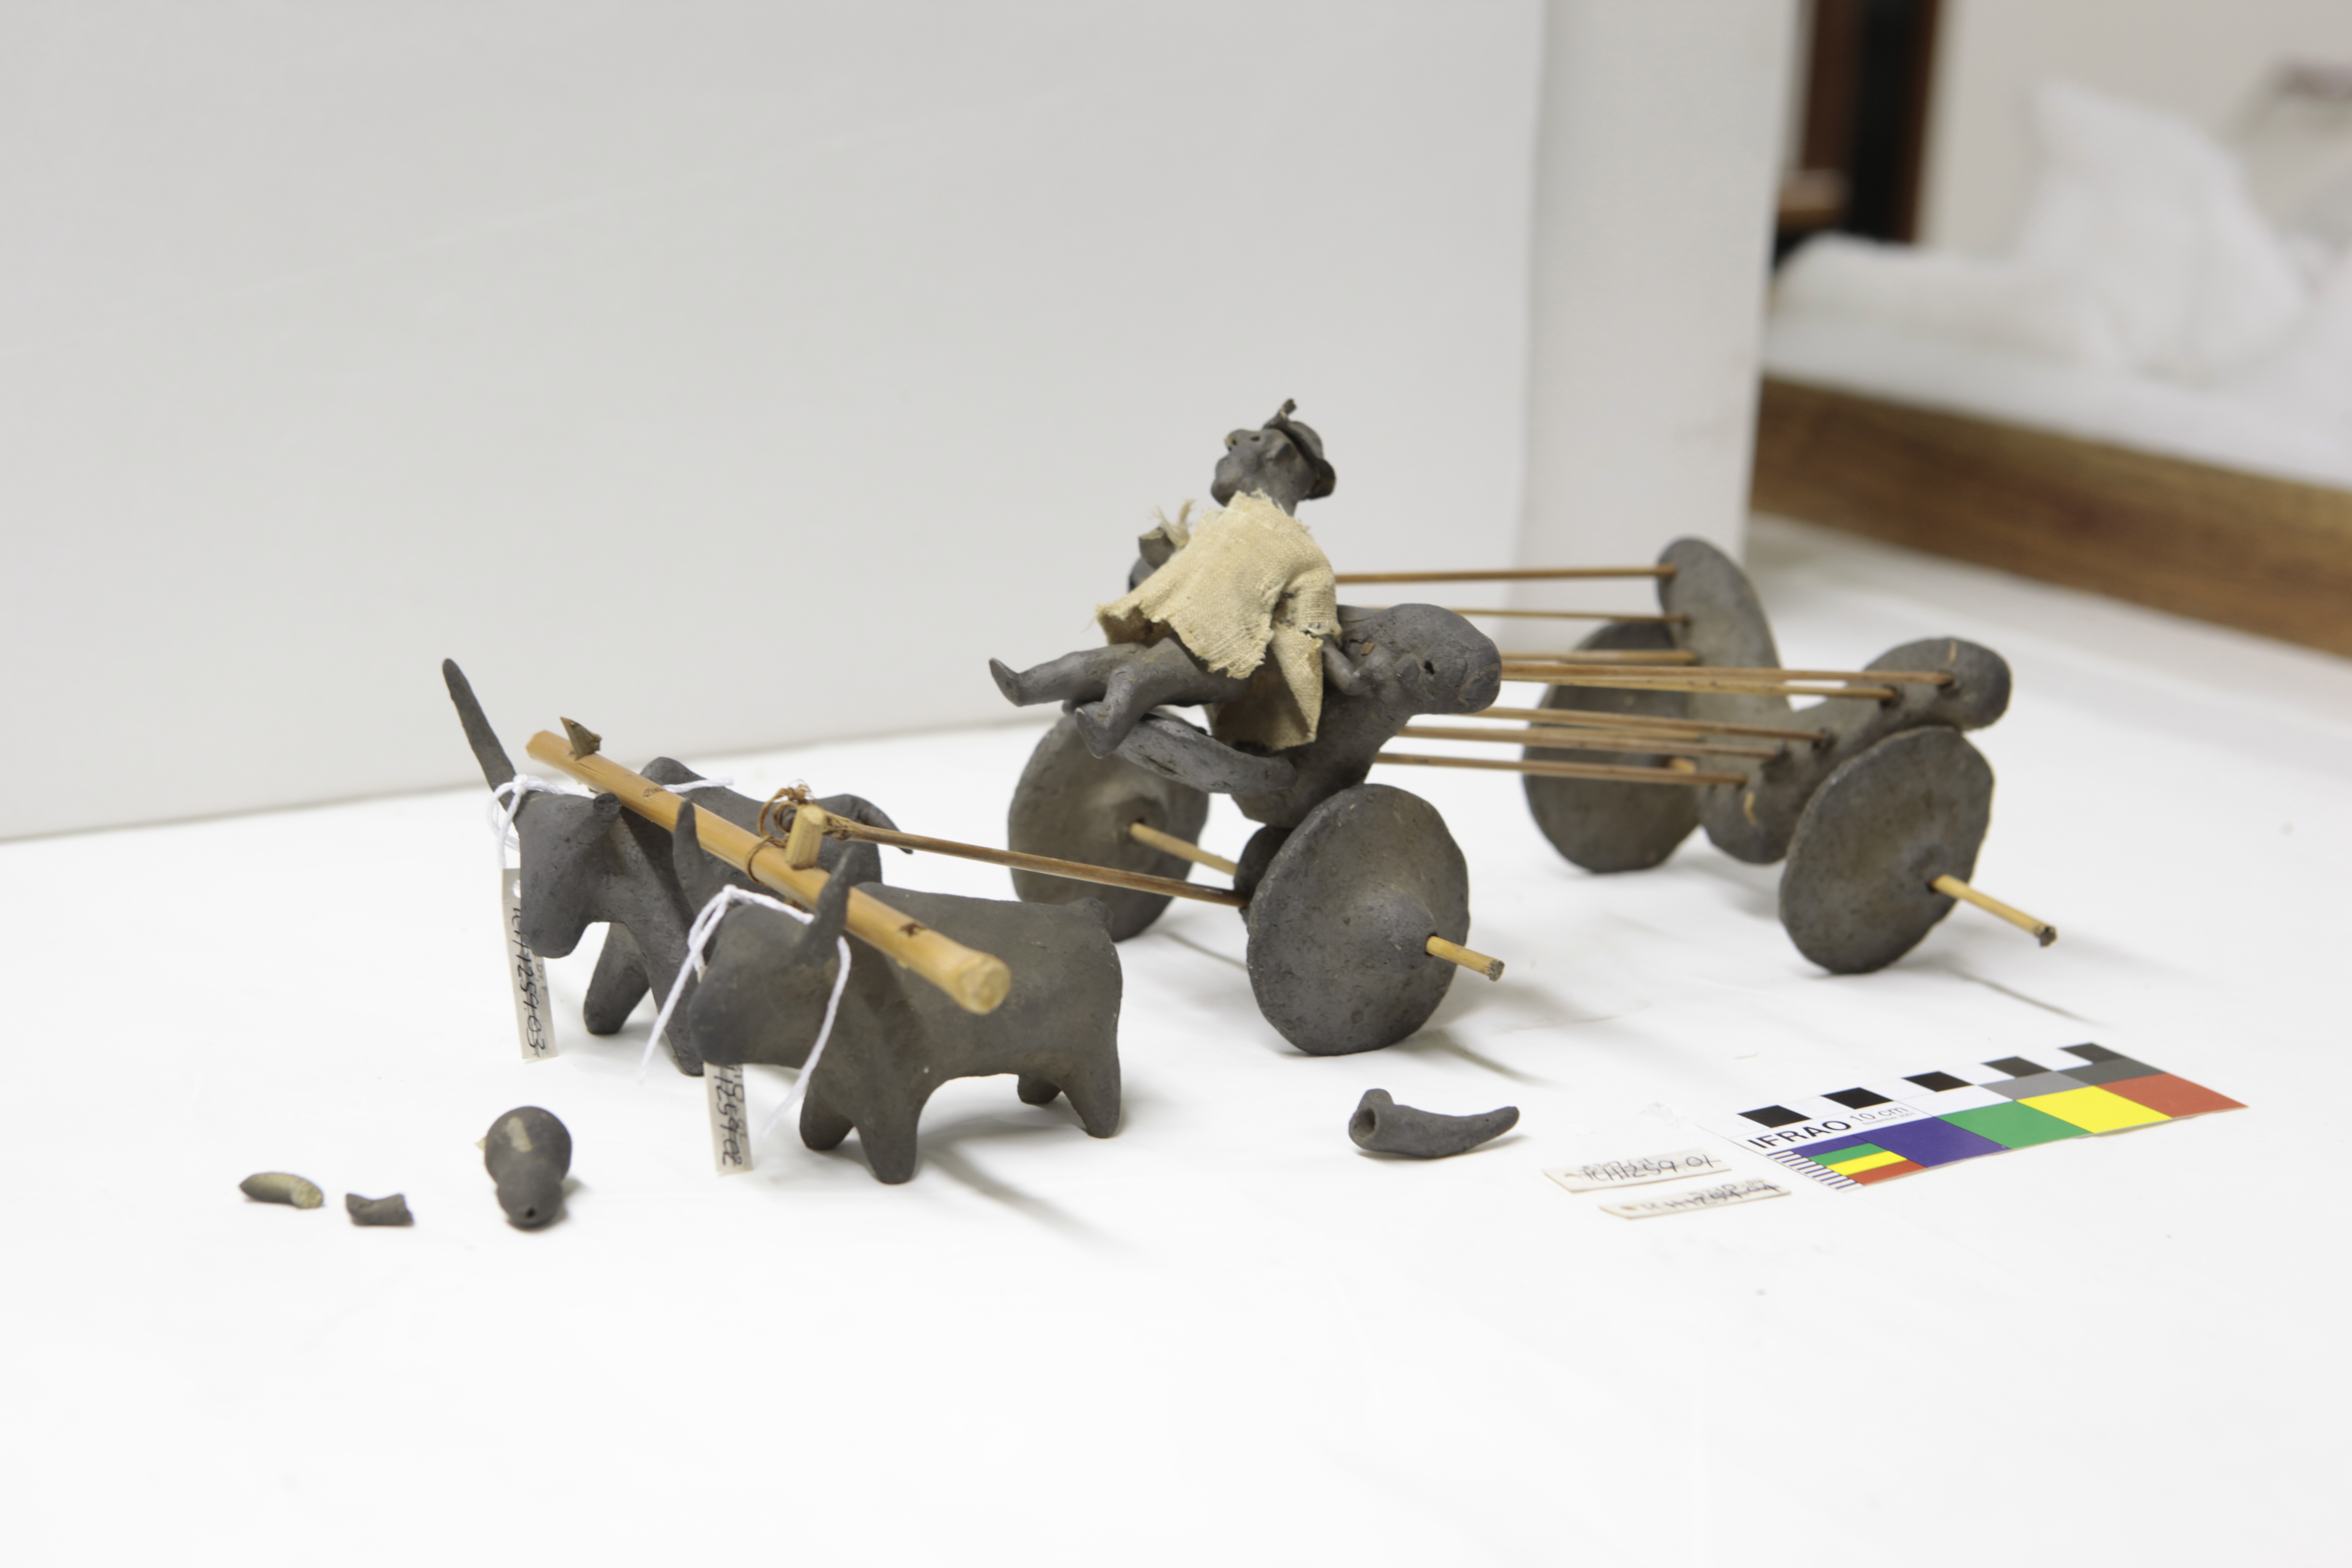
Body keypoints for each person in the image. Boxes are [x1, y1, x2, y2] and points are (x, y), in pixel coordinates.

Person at [990, 400, 1352, 758]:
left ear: (1281, 454)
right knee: (1085, 664)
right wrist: (1163, 555)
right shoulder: (1217, 525)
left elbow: (1316, 626)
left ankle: (1106, 729)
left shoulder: (1301, 551)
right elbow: (1191, 574)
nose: (1232, 445)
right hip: (1174, 638)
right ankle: (1026, 687)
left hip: (1218, 661)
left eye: (1253, 440)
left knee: (1131, 677)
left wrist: (1349, 676)